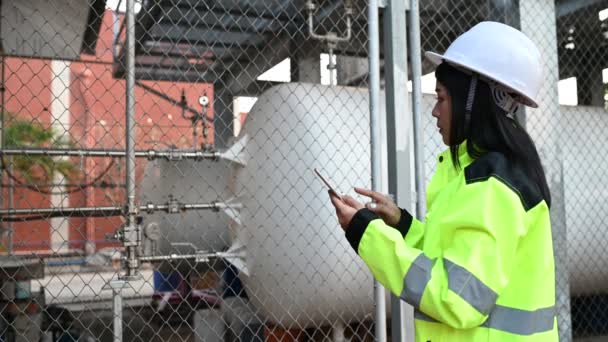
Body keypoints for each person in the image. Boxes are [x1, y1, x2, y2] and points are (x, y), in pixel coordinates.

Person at [329, 21, 557, 341]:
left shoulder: (491, 186)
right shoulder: (480, 173)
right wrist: (402, 224)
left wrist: (365, 232)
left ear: (471, 102)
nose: (435, 111)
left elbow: (458, 299)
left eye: (441, 98)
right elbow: (455, 265)